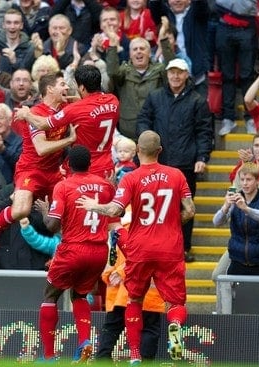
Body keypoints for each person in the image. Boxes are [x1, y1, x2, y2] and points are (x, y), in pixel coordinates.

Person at [76, 130, 196, 365]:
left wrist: (93, 205)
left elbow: (114, 211)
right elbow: (190, 210)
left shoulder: (131, 178)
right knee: (175, 303)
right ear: (160, 151)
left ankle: (134, 356)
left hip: (140, 247)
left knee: (134, 301)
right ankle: (175, 326)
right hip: (170, 247)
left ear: (138, 151)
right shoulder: (177, 175)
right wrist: (171, 222)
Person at [0, 73, 75, 257]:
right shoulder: (34, 114)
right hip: (31, 170)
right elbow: (41, 148)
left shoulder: (64, 107)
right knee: (21, 210)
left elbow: (79, 100)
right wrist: (70, 139)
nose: (67, 88)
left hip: (53, 172)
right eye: (62, 84)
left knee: (66, 213)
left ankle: (62, 255)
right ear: (50, 89)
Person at [35, 145, 116, 363]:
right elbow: (116, 211)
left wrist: (44, 211)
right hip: (99, 251)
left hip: (73, 249)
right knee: (79, 295)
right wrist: (113, 186)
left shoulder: (63, 186)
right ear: (90, 163)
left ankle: (49, 356)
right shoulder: (105, 185)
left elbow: (52, 226)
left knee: (50, 296)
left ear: (68, 164)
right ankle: (84, 343)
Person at [137, 58, 213, 263]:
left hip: (185, 164)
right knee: (156, 204)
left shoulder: (197, 100)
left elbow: (204, 131)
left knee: (185, 207)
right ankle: (154, 245)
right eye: (172, 72)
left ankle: (183, 247)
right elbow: (143, 119)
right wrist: (146, 139)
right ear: (167, 74)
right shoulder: (155, 97)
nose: (175, 76)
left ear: (187, 75)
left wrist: (202, 156)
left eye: (179, 72)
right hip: (157, 161)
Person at [16, 65, 119, 179]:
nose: (68, 87)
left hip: (84, 170)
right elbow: (91, 103)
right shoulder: (113, 101)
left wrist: (26, 114)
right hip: (107, 168)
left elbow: (42, 124)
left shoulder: (75, 109)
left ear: (82, 88)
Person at [215, 0, 259, 136]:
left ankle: (251, 118)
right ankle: (228, 118)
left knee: (247, 75)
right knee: (227, 75)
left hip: (247, 26)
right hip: (224, 24)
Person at [213, 163, 259, 276]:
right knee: (221, 281)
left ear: (258, 181)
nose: (244, 183)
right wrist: (225, 206)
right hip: (237, 258)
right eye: (242, 179)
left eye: (249, 179)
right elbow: (216, 222)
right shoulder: (235, 198)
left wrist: (247, 209)